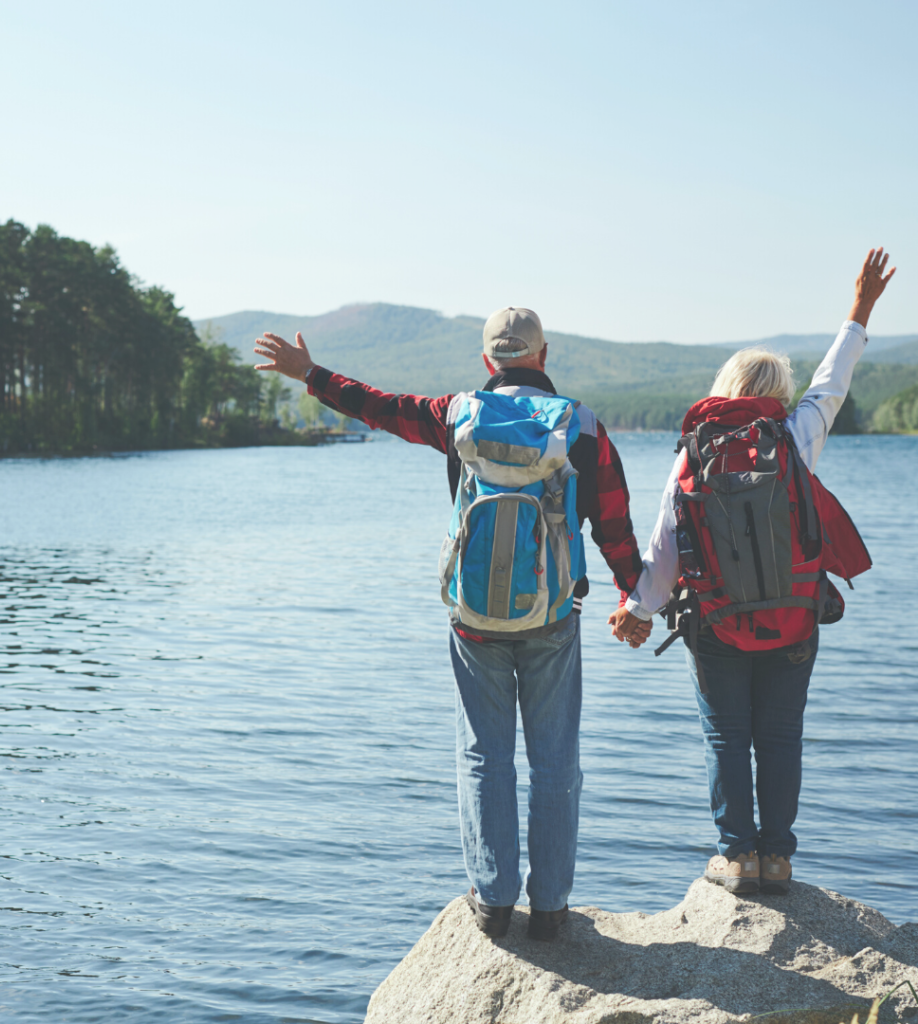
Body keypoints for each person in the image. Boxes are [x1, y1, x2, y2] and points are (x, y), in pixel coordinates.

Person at [254, 307, 650, 941]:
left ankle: (492, 901)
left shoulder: (457, 412)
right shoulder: (582, 426)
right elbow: (616, 526)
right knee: (555, 762)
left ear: (488, 361)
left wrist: (312, 374)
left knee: (483, 756)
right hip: (553, 616)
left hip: (473, 617)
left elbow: (380, 407)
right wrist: (637, 598)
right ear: (544, 358)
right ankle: (550, 909)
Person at [610, 249, 896, 895]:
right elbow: (834, 380)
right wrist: (860, 307)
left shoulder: (695, 451)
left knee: (726, 738)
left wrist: (637, 611)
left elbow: (664, 543)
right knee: (782, 738)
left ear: (725, 388)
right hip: (794, 618)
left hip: (714, 622)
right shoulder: (794, 437)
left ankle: (737, 857)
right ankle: (779, 859)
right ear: (778, 397)